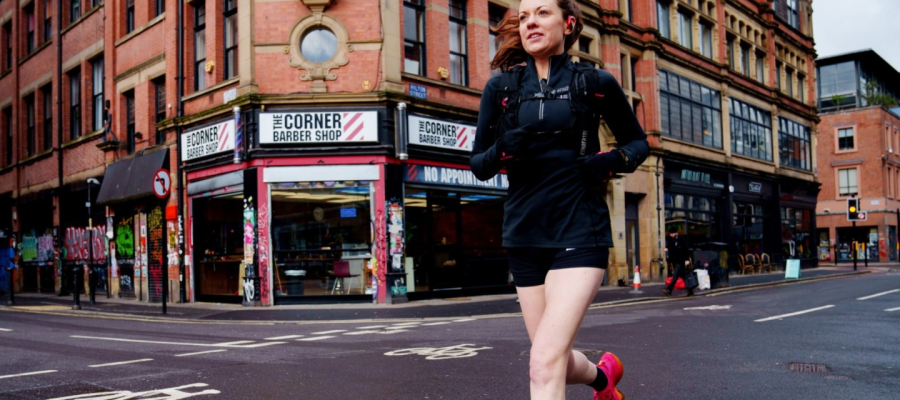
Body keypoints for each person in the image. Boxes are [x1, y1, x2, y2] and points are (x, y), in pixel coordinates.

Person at [470, 1, 648, 398]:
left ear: (568, 24)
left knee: (542, 360)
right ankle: (604, 377)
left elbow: (638, 143)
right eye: (525, 15)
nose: (531, 21)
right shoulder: (501, 88)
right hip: (524, 237)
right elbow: (478, 164)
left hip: (580, 232)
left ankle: (602, 378)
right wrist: (503, 148)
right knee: (554, 359)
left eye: (542, 12)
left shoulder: (595, 82)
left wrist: (609, 161)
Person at [663, 225, 694, 297]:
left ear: (675, 233)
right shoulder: (671, 240)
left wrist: (687, 259)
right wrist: (667, 250)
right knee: (683, 276)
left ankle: (669, 290)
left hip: (680, 261)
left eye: (672, 233)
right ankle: (690, 291)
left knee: (675, 276)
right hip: (674, 261)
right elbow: (669, 247)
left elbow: (685, 250)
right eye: (670, 234)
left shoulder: (681, 239)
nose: (670, 235)